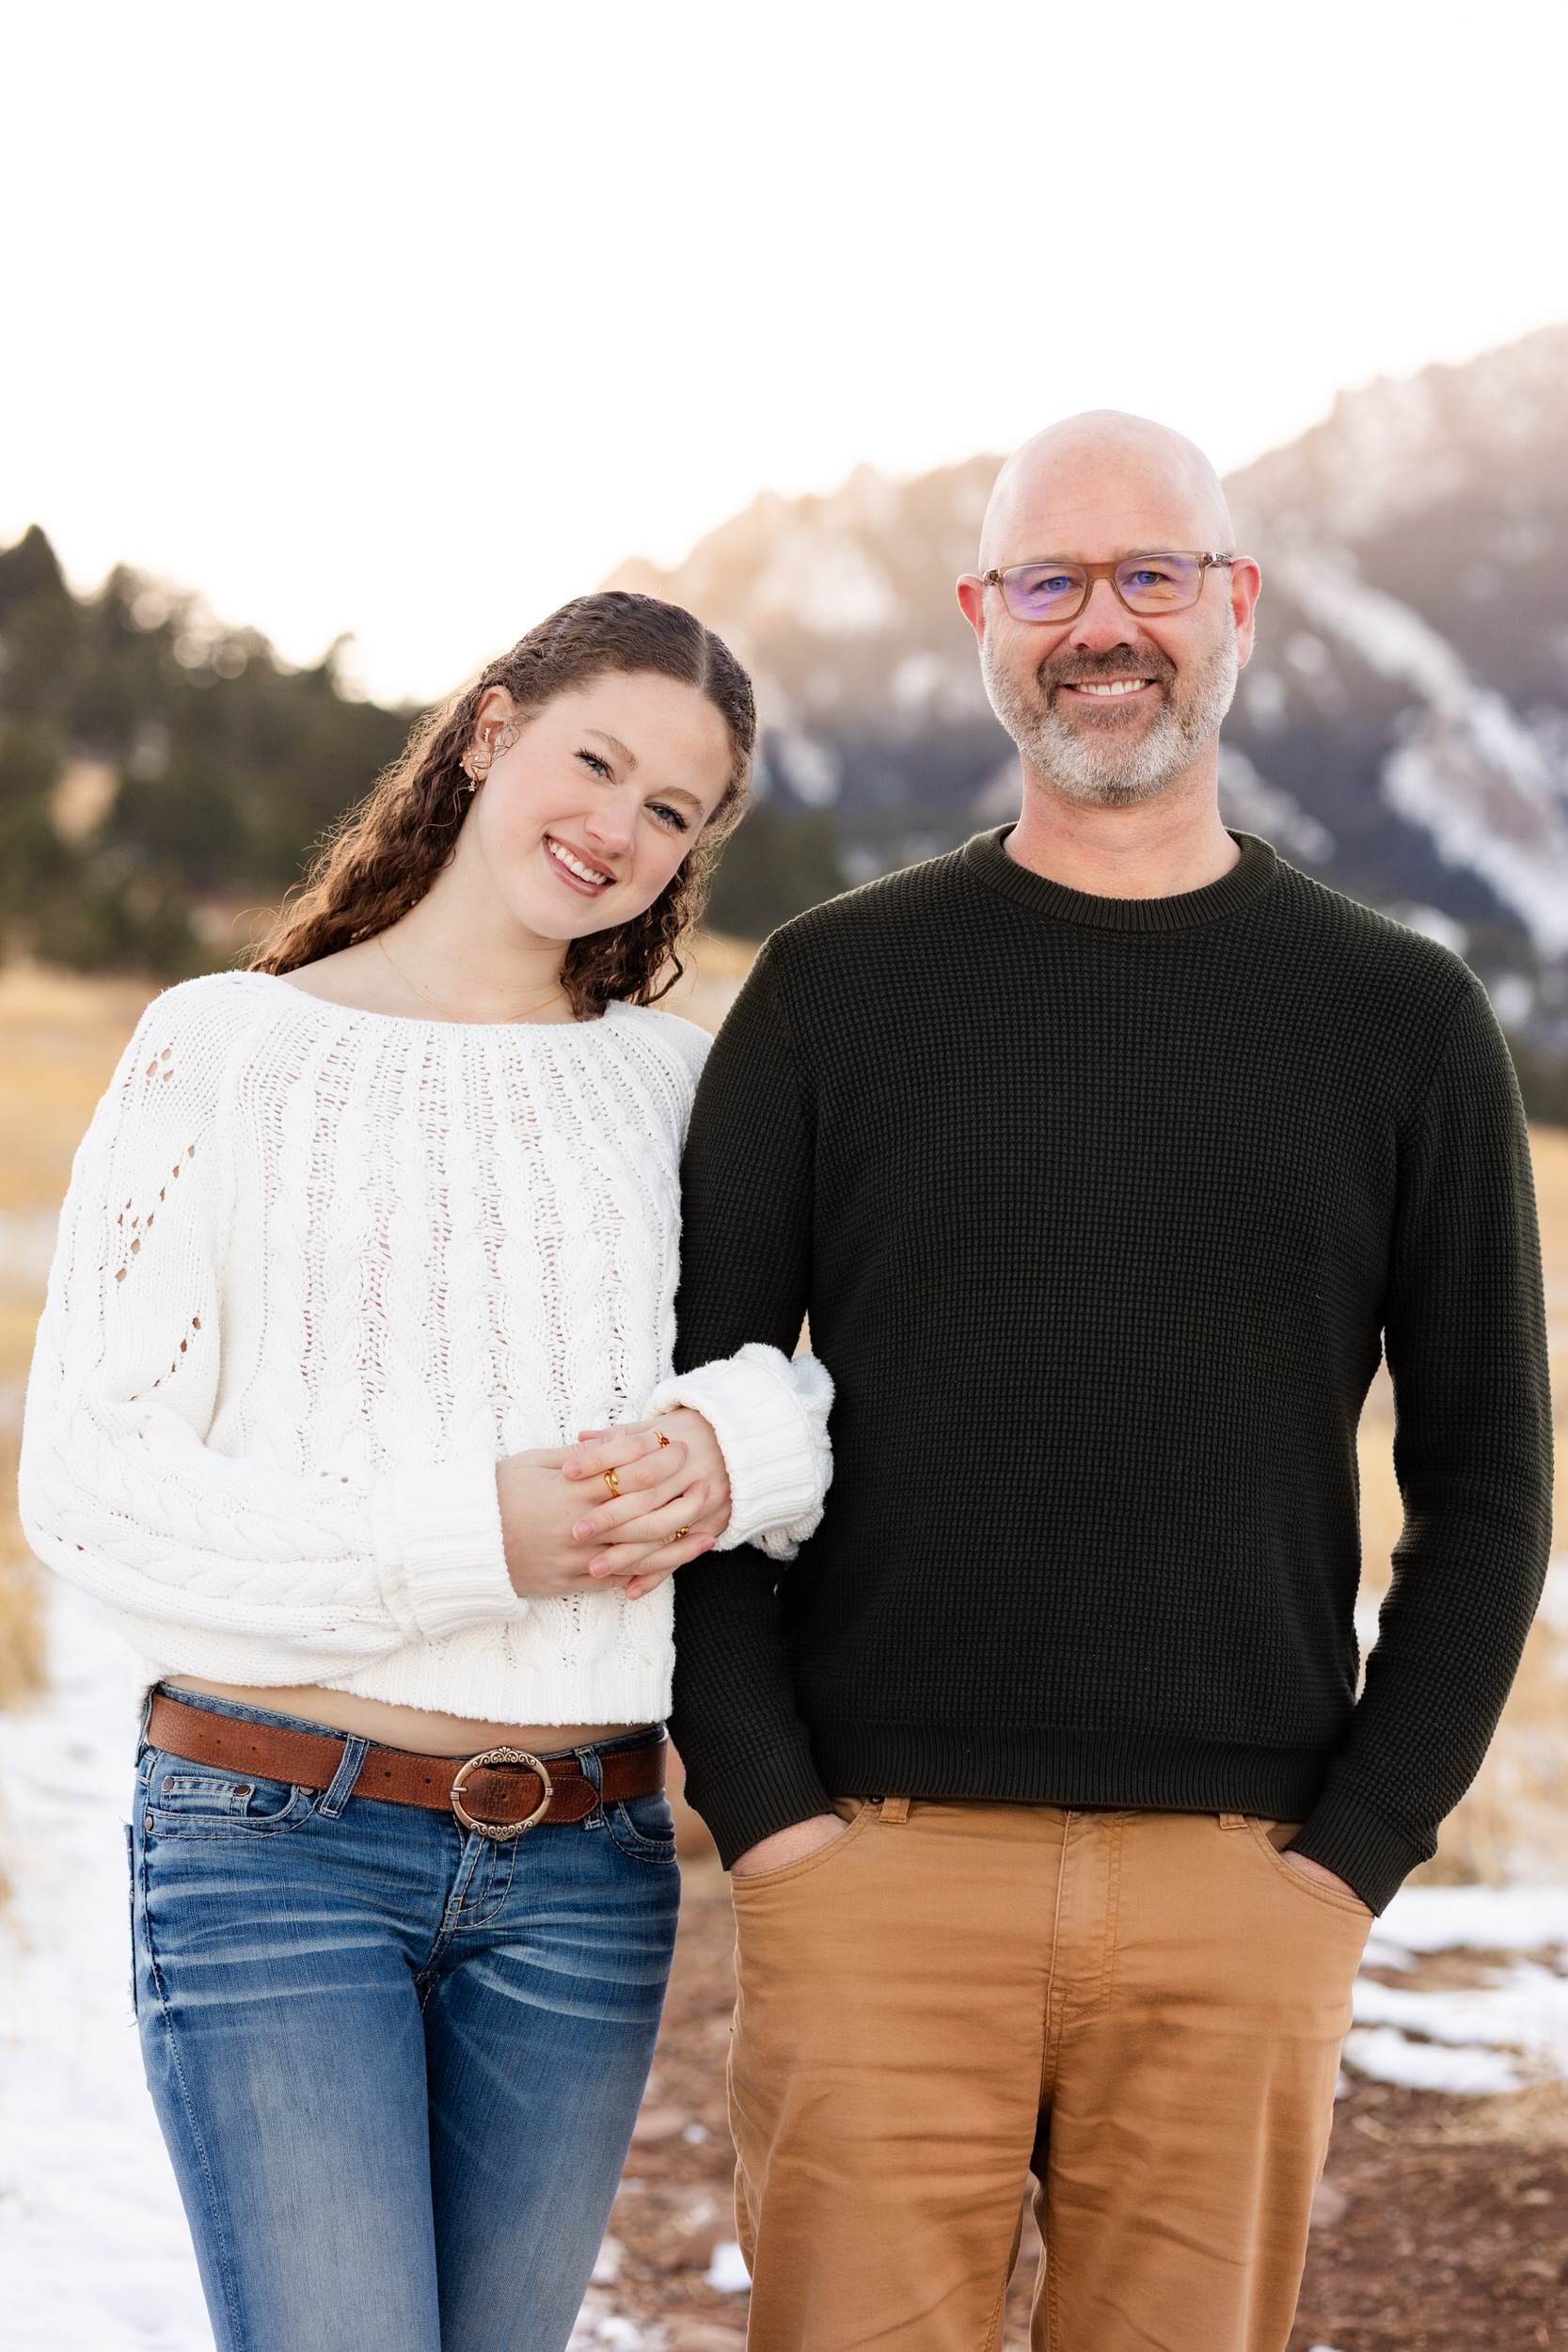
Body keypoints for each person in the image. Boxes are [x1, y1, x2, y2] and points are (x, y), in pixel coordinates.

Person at [665, 415, 1552, 2352]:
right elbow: (703, 1418)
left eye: (1152, 574)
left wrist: (1349, 1863)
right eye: (1050, 583)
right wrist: (772, 1818)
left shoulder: (1402, 1020)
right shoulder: (833, 993)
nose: (1103, 625)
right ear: (986, 618)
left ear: (1234, 607)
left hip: (1246, 1891)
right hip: (876, 1872)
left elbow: (1490, 1484)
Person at [19, 591, 832, 2352]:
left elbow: (839, 1375)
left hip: (588, 1865)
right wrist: (482, 1536)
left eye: (675, 810)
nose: (618, 826)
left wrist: (732, 1447)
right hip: (270, 1850)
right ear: (488, 730)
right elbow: (90, 1481)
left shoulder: (676, 1088)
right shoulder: (221, 1051)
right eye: (595, 760)